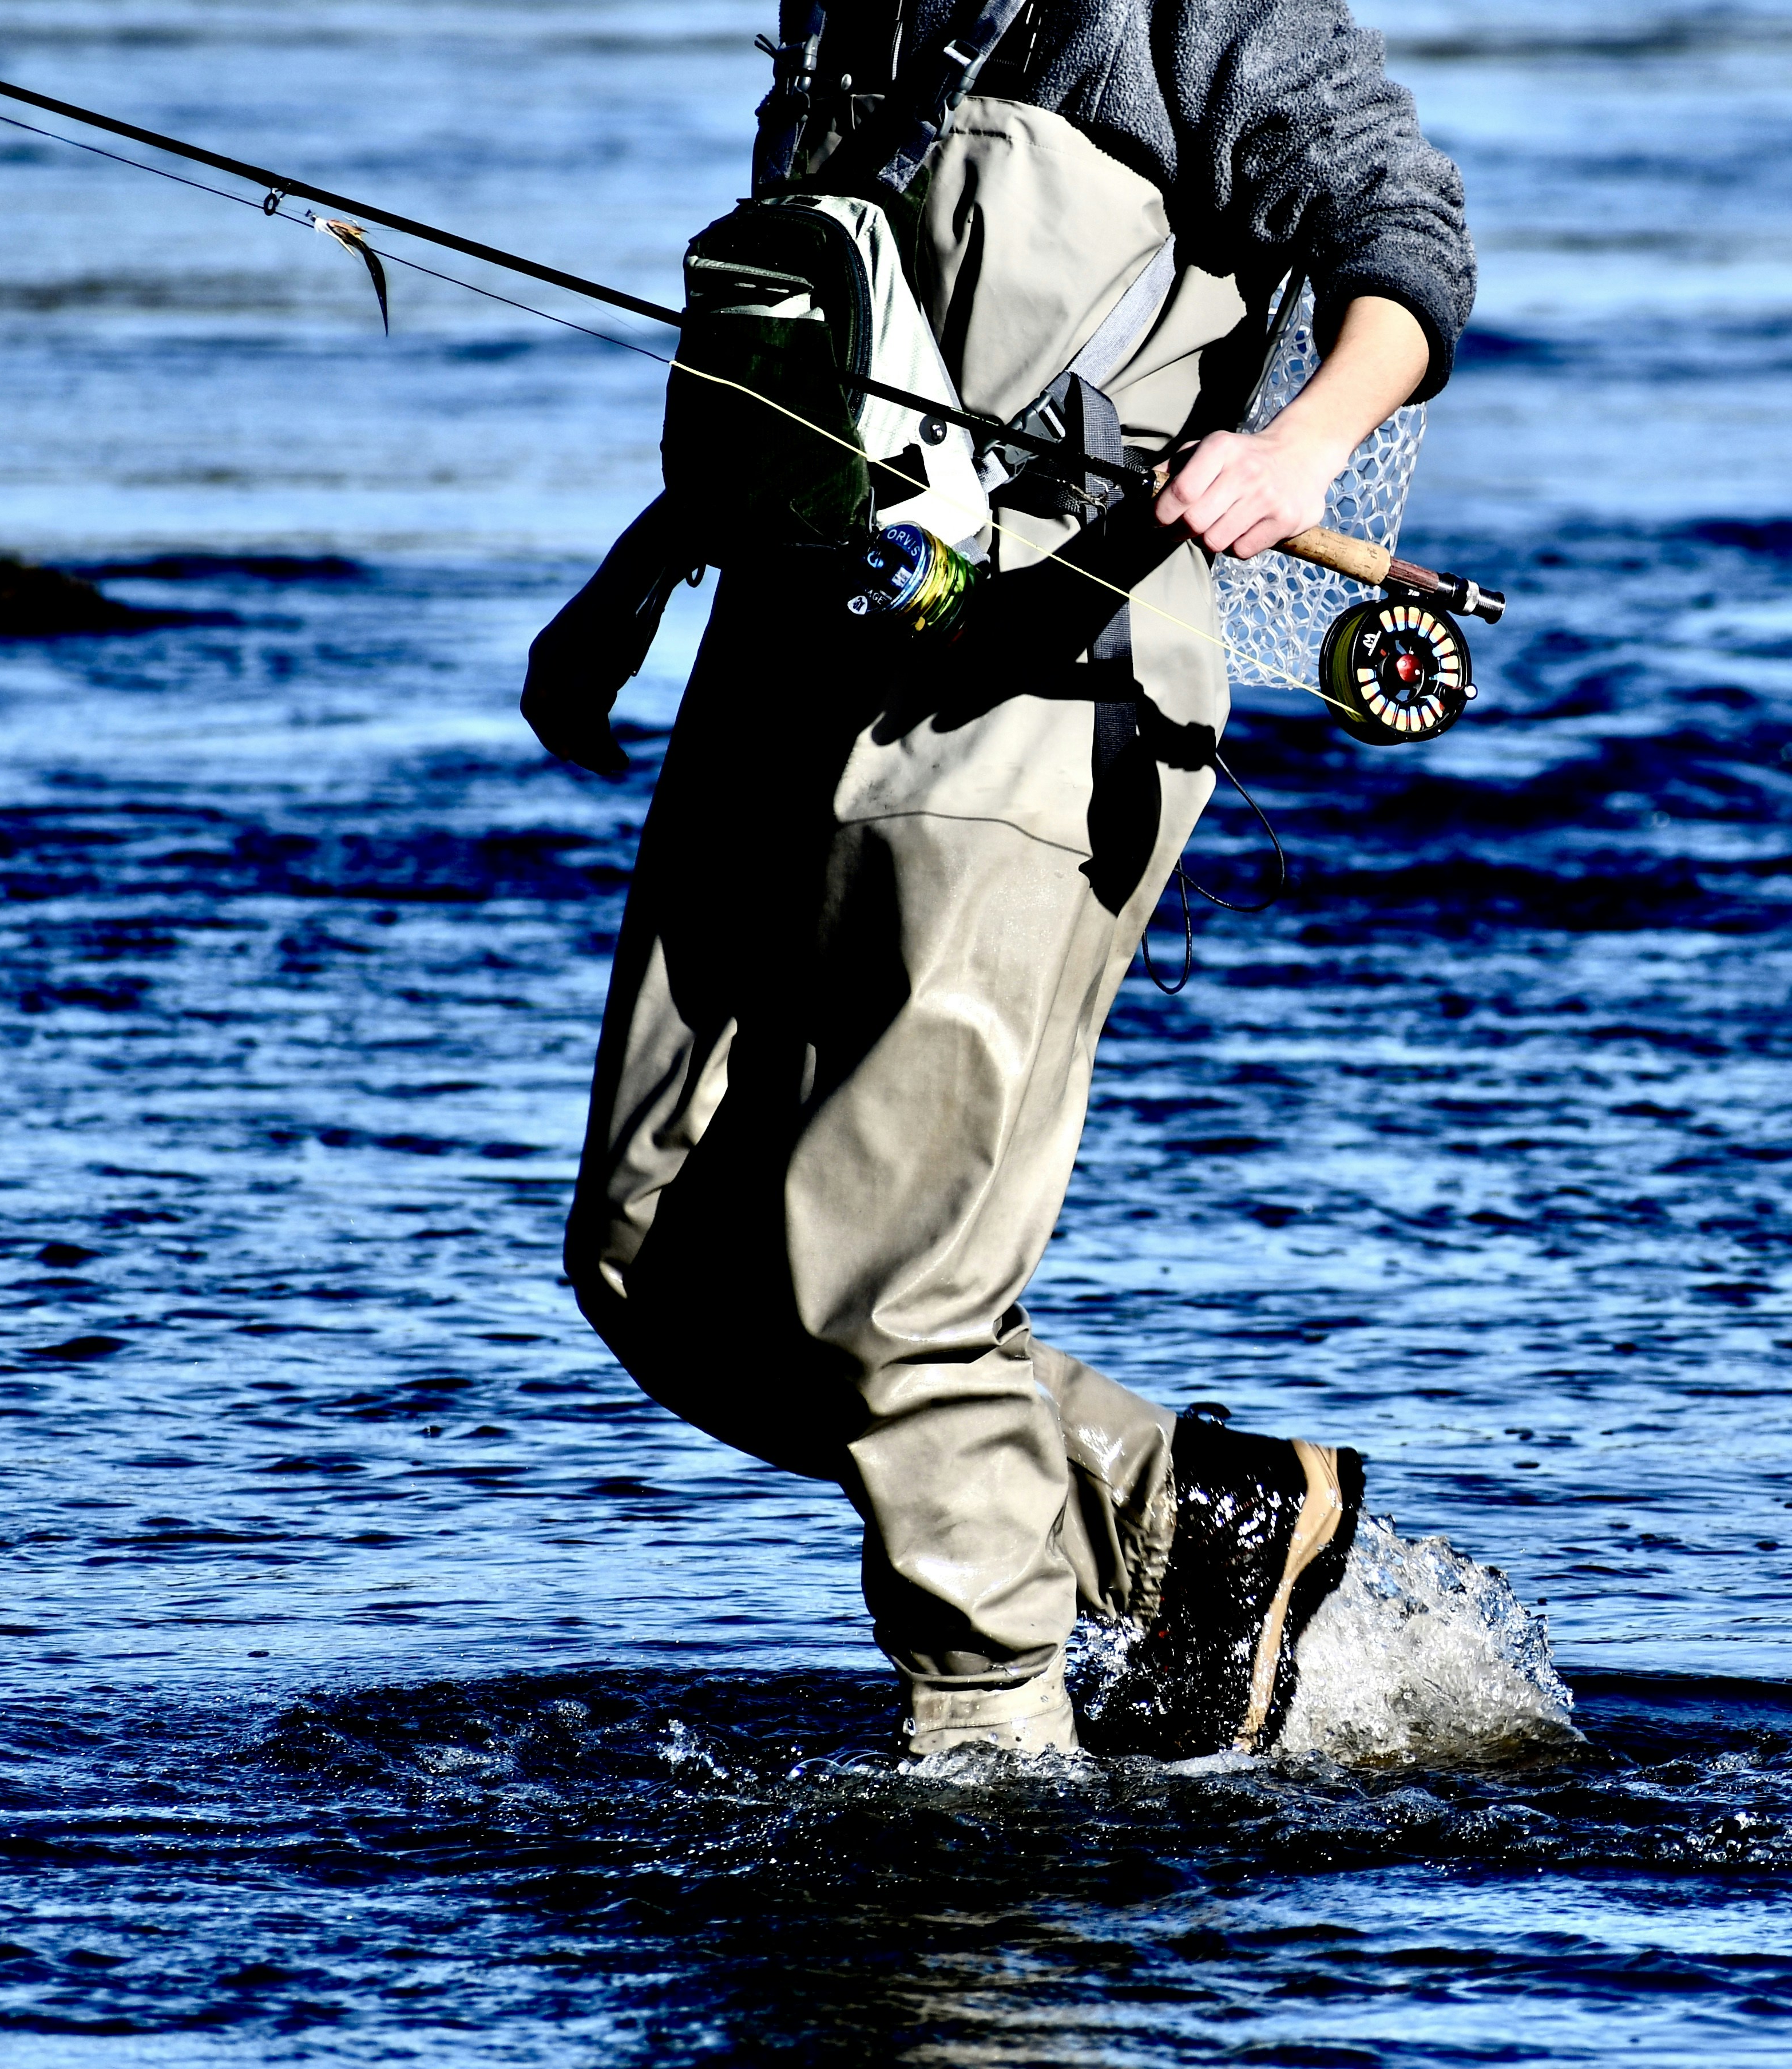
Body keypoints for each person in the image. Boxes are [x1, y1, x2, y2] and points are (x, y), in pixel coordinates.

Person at [524, 0, 1474, 1759]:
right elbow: (803, 364)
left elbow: (1401, 234)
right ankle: (1190, 1524)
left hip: (1051, 672)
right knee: (654, 1252)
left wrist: (1299, 448)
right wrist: (636, 579)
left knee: (896, 1294)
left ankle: (986, 1778)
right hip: (787, 648)